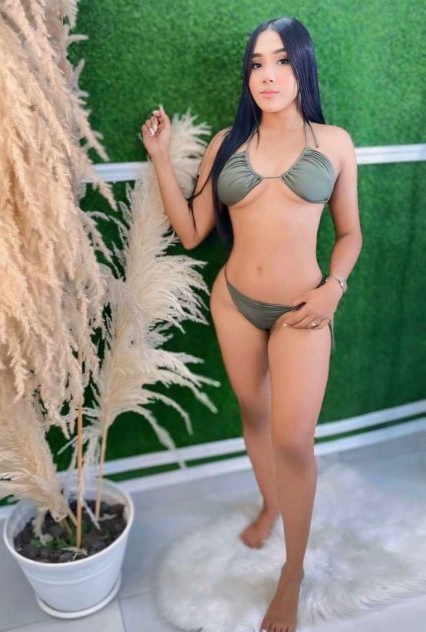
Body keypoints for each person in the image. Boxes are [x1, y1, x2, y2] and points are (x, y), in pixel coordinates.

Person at [141, 15, 362, 632]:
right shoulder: (227, 143)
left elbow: (350, 233)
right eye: (258, 64)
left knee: (293, 439)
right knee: (255, 416)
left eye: (282, 61)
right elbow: (193, 232)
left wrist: (333, 290)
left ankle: (292, 572)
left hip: (302, 311)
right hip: (234, 300)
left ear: (303, 67)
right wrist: (160, 157)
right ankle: (270, 504)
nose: (268, 75)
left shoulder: (334, 143)